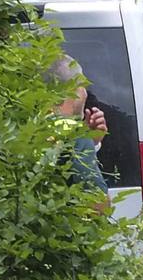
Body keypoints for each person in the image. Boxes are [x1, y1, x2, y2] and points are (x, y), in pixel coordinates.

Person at [46, 54, 110, 196]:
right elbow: (98, 204)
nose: (86, 93)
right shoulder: (74, 136)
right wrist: (83, 140)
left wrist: (92, 144)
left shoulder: (26, 125)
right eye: (83, 86)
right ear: (74, 88)